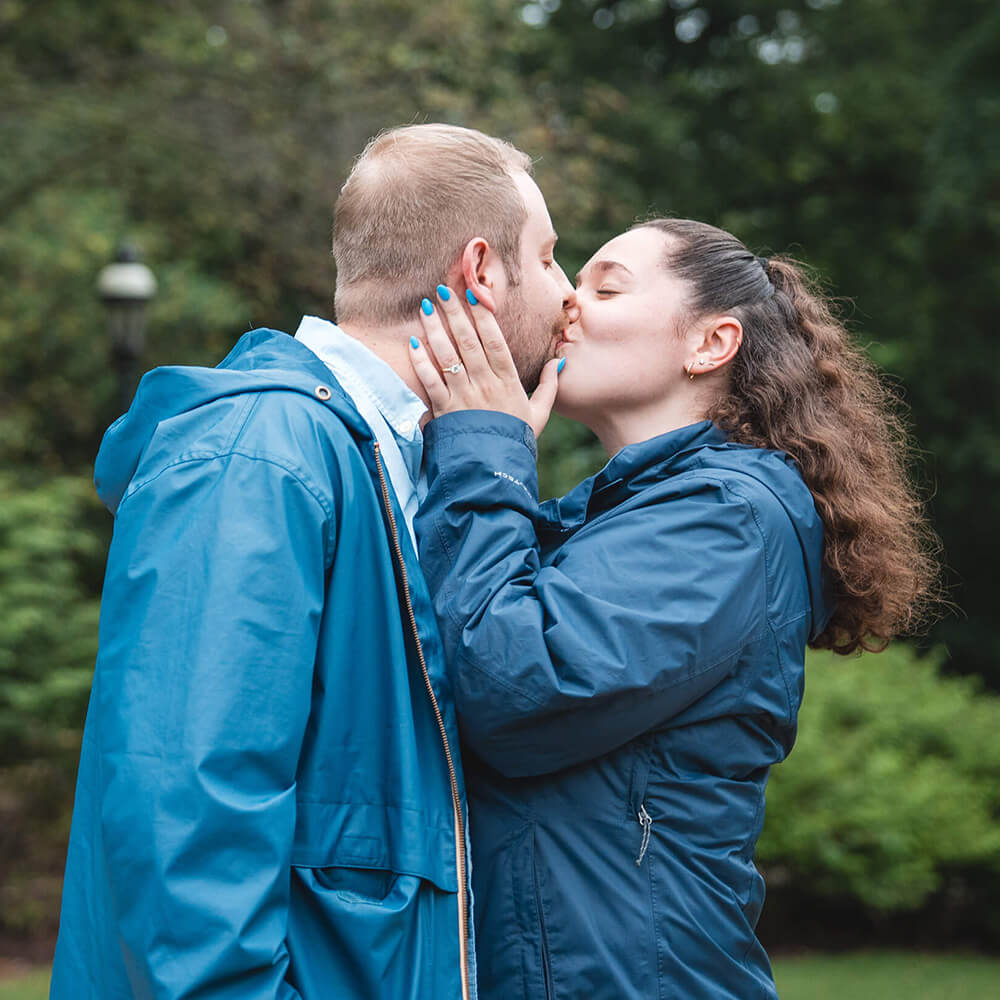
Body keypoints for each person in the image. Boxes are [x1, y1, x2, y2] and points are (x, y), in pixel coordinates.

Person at [49, 123, 573, 1000]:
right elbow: (184, 820)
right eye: (552, 258)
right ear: (478, 273)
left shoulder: (387, 467)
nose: (570, 297)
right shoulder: (261, 455)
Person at [407, 218, 938, 999]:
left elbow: (518, 693)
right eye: (570, 276)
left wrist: (484, 449)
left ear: (711, 345)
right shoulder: (629, 514)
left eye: (606, 285)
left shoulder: (727, 518)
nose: (566, 304)